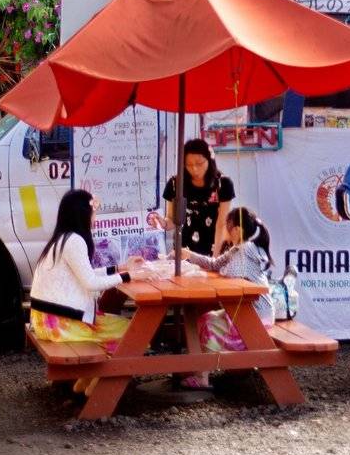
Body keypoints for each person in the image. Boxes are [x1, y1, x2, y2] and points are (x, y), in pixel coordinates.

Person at [29, 190, 157, 393]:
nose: (95, 218)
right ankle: (99, 385)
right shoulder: (75, 241)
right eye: (94, 213)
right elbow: (90, 283)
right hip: (61, 324)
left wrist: (121, 268)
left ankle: (87, 380)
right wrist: (128, 276)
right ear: (83, 214)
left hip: (45, 320)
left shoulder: (62, 239)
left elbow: (85, 274)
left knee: (126, 327)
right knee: (137, 332)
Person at [174, 206, 275, 390]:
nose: (226, 233)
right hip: (253, 314)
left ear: (237, 229)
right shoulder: (240, 248)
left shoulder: (246, 249)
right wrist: (190, 255)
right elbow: (215, 264)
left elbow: (231, 273)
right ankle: (199, 367)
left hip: (255, 321)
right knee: (204, 319)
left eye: (228, 228)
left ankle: (203, 376)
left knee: (208, 324)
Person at [150, 139, 235, 256]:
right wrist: (163, 223)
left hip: (216, 246)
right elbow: (173, 220)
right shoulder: (175, 184)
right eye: (189, 165)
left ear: (209, 159)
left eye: (199, 163)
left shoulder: (222, 184)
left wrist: (215, 258)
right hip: (186, 249)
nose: (194, 169)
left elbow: (222, 223)